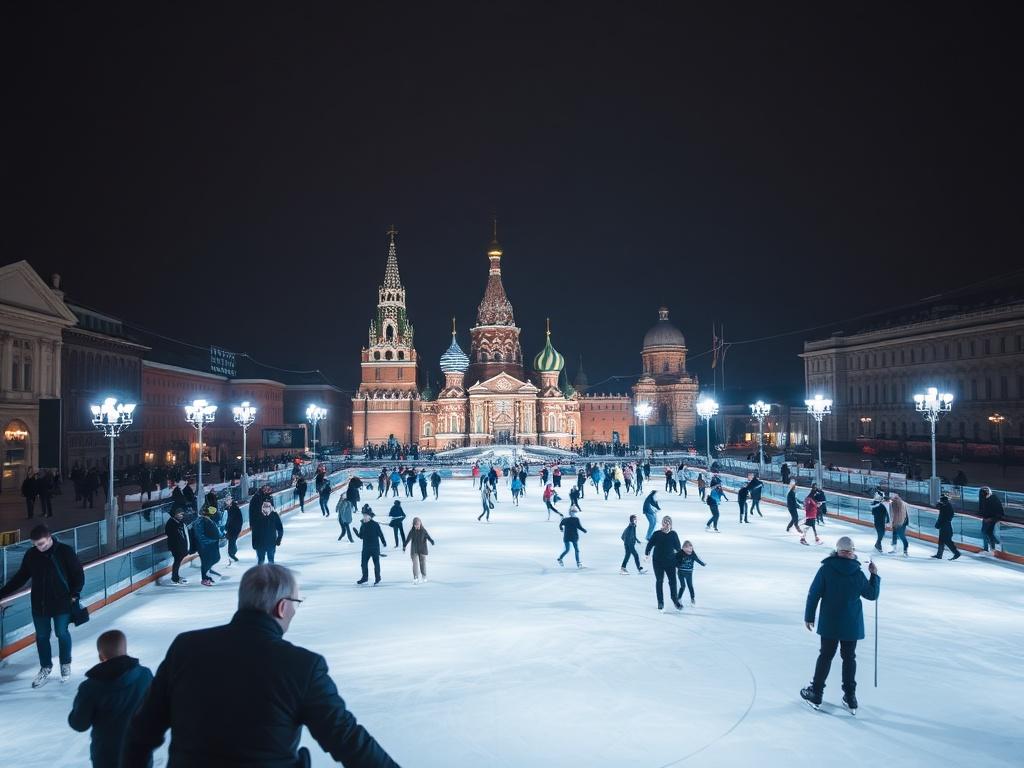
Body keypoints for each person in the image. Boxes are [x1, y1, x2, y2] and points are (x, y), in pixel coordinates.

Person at [121, 564, 398, 767]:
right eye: (296, 603)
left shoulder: (185, 648)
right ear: (281, 607)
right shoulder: (302, 666)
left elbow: (142, 732)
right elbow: (347, 739)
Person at [801, 536, 880, 713]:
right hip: (851, 623)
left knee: (826, 656)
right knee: (849, 658)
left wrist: (809, 616)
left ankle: (816, 692)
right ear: (852, 552)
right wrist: (874, 575)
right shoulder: (858, 573)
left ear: (837, 550)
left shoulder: (826, 569)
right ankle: (850, 697)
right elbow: (872, 594)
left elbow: (814, 593)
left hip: (830, 622)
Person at [0, 525, 84, 687]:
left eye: (43, 544)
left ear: (50, 537)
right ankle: (45, 667)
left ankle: (65, 663)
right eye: (37, 545)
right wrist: (2, 593)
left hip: (62, 602)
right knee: (42, 637)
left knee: (61, 632)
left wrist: (75, 594)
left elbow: (78, 574)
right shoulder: (32, 555)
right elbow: (21, 577)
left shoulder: (65, 551)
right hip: (40, 604)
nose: (40, 548)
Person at [68, 629, 153, 768]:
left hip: (106, 757)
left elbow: (79, 724)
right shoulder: (145, 675)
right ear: (125, 650)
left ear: (101, 656)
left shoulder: (90, 687)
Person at [644, 516, 683, 611]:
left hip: (671, 562)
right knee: (659, 581)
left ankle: (675, 600)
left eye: (668, 522)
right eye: (665, 522)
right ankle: (660, 602)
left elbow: (678, 548)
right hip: (658, 562)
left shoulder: (673, 534)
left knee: (673, 582)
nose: (666, 524)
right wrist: (647, 553)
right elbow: (649, 545)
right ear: (662, 523)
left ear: (671, 524)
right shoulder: (657, 534)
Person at [355, 506, 387, 585]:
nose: (364, 517)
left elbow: (380, 534)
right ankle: (365, 578)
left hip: (375, 548)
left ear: (370, 516)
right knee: (363, 563)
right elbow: (361, 536)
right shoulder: (363, 525)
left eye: (366, 515)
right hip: (366, 548)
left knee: (376, 563)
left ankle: (378, 578)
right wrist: (356, 533)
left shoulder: (375, 524)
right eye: (363, 515)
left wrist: (383, 542)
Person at [194, 507, 223, 586]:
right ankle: (205, 578)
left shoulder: (208, 520)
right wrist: (211, 541)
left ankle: (207, 573)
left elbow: (215, 529)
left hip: (211, 545)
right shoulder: (200, 521)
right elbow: (200, 536)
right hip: (204, 546)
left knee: (216, 558)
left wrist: (219, 536)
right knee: (205, 562)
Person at [403, 517, 435, 584]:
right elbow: (408, 539)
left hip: (422, 549)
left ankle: (424, 576)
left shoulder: (423, 531)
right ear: (414, 525)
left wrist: (431, 541)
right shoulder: (412, 531)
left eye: (418, 524)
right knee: (415, 564)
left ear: (420, 524)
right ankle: (415, 577)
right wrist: (404, 545)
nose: (417, 526)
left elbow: (428, 537)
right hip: (414, 550)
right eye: (416, 525)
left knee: (422, 563)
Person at [251, 500, 283, 565]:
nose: (266, 508)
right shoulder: (258, 516)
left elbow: (280, 528)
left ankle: (271, 574)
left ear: (270, 507)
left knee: (271, 560)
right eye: (264, 506)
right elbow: (254, 531)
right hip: (260, 543)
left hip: (271, 542)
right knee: (260, 561)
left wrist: (279, 538)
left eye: (267, 506)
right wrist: (254, 542)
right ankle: (260, 574)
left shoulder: (274, 515)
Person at [164, 508, 191, 585]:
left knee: (177, 561)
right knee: (177, 561)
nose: (181, 516)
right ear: (175, 514)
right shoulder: (171, 523)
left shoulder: (180, 522)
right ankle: (175, 578)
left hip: (180, 547)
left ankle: (175, 577)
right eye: (179, 514)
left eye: (182, 514)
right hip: (176, 547)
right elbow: (173, 535)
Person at [931, 491, 961, 560]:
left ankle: (956, 553)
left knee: (947, 541)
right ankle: (939, 555)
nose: (940, 501)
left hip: (946, 527)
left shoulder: (947, 507)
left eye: (941, 500)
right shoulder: (944, 506)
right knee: (941, 540)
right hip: (944, 526)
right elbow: (937, 506)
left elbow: (945, 517)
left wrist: (939, 524)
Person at [675, 540, 706, 605]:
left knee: (690, 586)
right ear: (683, 548)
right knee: (683, 586)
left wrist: (702, 563)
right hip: (681, 572)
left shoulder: (692, 554)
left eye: (690, 549)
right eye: (687, 549)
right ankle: (679, 598)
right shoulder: (680, 553)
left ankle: (692, 598)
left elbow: (697, 559)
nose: (689, 551)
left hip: (689, 573)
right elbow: (674, 560)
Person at [979, 486, 1004, 554]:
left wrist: (991, 519)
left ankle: (992, 545)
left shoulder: (993, 498)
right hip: (987, 518)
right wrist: (984, 517)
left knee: (985, 532)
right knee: (987, 532)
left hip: (992, 518)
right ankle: (991, 547)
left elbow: (999, 511)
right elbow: (982, 508)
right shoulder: (983, 498)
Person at [224, 497, 243, 564]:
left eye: (228, 500)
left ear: (231, 500)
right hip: (231, 529)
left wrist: (238, 528)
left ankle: (232, 553)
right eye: (226, 500)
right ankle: (232, 553)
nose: (227, 501)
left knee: (232, 541)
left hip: (234, 528)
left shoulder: (234, 508)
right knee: (232, 541)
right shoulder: (227, 508)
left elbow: (237, 519)